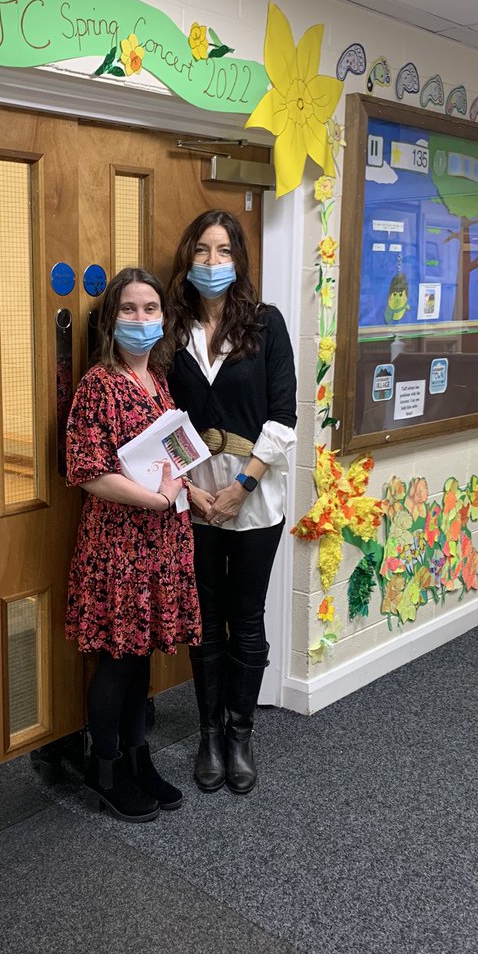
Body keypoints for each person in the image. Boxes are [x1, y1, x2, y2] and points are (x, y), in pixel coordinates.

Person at [165, 211, 296, 795]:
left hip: (255, 493)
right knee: (204, 619)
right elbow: (160, 418)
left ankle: (240, 734)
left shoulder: (266, 325)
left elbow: (283, 415)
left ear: (239, 260)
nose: (212, 263)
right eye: (202, 251)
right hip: (191, 494)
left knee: (245, 616)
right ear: (187, 259)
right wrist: (191, 489)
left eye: (223, 251)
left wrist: (241, 487)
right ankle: (209, 733)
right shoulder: (171, 330)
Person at [65, 267, 201, 822]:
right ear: (111, 319)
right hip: (119, 546)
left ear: (163, 320)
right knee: (118, 660)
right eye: (129, 309)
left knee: (141, 658)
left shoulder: (159, 381)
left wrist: (186, 491)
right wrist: (160, 500)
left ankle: (139, 761)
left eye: (151, 309)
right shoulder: (99, 384)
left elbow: (171, 456)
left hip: (162, 543)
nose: (141, 320)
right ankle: (106, 770)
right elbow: (87, 470)